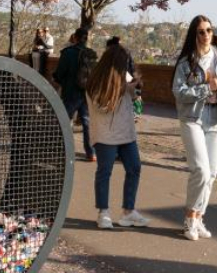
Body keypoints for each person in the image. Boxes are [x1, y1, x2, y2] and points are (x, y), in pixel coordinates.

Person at [172, 15, 217, 241]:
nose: (206, 35)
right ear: (194, 34)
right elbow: (179, 92)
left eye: (209, 30)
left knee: (211, 173)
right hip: (193, 117)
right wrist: (205, 88)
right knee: (200, 169)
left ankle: (199, 216)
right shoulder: (186, 62)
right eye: (201, 31)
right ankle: (189, 218)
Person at [85, 43, 149, 229]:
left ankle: (129, 211)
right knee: (105, 172)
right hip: (106, 134)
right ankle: (103, 212)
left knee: (134, 167)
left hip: (127, 132)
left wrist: (136, 87)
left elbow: (136, 96)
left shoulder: (125, 76)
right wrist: (123, 89)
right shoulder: (96, 81)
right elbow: (103, 107)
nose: (126, 68)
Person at [53, 27, 96, 162]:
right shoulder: (91, 54)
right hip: (87, 92)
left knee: (65, 120)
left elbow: (60, 72)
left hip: (71, 92)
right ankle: (91, 153)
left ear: (75, 37)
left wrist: (58, 80)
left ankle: (63, 150)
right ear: (86, 38)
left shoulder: (68, 52)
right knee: (87, 122)